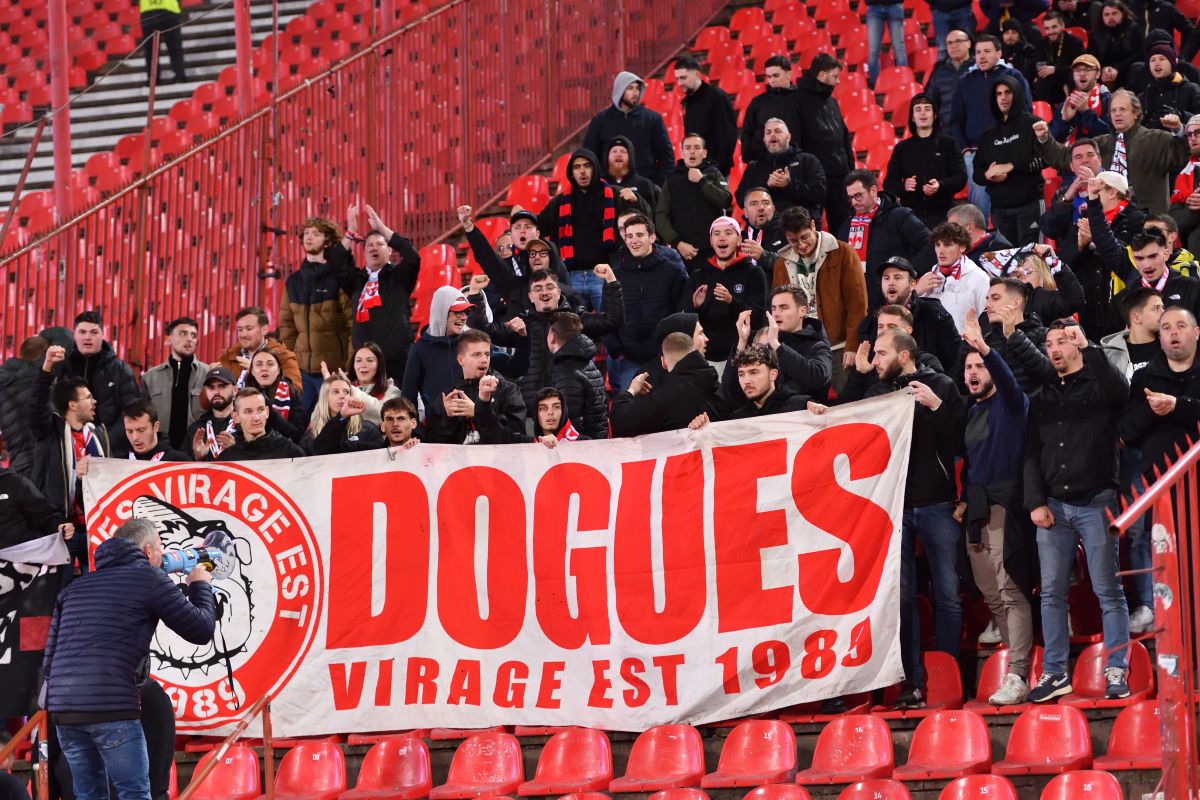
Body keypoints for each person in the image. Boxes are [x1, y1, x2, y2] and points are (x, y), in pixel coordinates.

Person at [42, 517, 213, 800]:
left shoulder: (74, 588)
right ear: (148, 551)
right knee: (134, 794)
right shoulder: (149, 578)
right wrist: (200, 585)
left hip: (64, 709)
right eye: (160, 548)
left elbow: (49, 659)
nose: (164, 556)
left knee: (88, 796)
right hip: (111, 707)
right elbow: (201, 630)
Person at [841, 329, 965, 709]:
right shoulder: (878, 392)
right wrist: (858, 376)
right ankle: (912, 682)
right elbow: (847, 423)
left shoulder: (940, 385)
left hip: (938, 504)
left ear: (905, 355)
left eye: (881, 354)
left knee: (947, 593)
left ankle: (949, 676)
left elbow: (960, 440)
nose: (874, 360)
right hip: (893, 509)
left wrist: (937, 406)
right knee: (902, 598)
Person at [1024, 319, 1131, 702]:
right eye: (1050, 343)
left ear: (1077, 344)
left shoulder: (1099, 383)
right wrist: (1035, 501)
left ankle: (1117, 670)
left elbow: (1121, 391)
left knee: (1108, 590)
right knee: (1051, 594)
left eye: (1063, 341)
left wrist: (1091, 348)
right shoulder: (1042, 395)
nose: (1055, 348)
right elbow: (1032, 452)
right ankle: (1055, 673)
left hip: (1097, 501)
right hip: (1053, 505)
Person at [958, 311, 1035, 705]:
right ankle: (1015, 671)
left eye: (979, 366)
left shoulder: (1012, 404)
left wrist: (986, 349)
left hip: (1006, 505)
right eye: (968, 367)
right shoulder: (971, 412)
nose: (973, 372)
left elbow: (1007, 381)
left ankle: (1019, 672)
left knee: (1010, 591)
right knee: (991, 595)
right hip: (976, 509)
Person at [1120, 306, 1200, 632]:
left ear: (1196, 332)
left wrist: (1177, 405)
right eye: (1166, 327)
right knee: (1170, 568)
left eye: (1181, 325)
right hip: (1162, 492)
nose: (1173, 332)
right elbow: (1125, 431)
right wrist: (1154, 409)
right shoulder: (1144, 378)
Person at [1035, 90, 1190, 216]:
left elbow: (1182, 156)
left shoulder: (1157, 139)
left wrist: (1179, 131)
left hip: (1149, 224)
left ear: (1136, 113)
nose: (1117, 114)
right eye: (1113, 110)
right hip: (1111, 223)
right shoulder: (1100, 144)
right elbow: (1064, 157)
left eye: (1122, 109)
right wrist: (1045, 138)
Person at [30, 345, 112, 575]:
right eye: (88, 397)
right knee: (59, 592)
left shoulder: (98, 435)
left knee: (95, 589)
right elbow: (36, 405)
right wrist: (47, 367)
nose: (94, 401)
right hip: (62, 530)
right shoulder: (50, 432)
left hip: (93, 528)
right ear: (73, 404)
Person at [772, 206, 868, 390]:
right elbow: (779, 308)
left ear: (813, 226)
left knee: (848, 401)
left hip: (839, 347)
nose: (801, 245)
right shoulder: (781, 263)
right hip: (801, 350)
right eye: (793, 241)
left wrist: (852, 345)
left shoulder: (843, 253)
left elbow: (857, 305)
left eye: (805, 237)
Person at [951, 35, 1034, 221]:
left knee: (1011, 208)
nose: (981, 56)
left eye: (987, 51)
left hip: (1009, 150)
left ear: (999, 53)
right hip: (975, 153)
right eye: (978, 52)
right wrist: (965, 150)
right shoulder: (965, 81)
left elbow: (1026, 112)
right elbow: (955, 119)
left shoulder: (1014, 76)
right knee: (978, 212)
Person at [279, 214, 354, 408]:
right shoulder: (293, 281)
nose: (309, 237)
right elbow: (287, 328)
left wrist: (348, 365)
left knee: (332, 419)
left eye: (316, 233)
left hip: (332, 371)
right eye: (306, 233)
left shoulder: (337, 278)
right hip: (301, 371)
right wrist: (289, 365)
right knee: (298, 422)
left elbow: (352, 324)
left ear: (328, 241)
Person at [607, 216, 690, 391]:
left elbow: (681, 313)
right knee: (630, 406)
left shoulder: (673, 272)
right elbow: (607, 315)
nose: (634, 241)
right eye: (629, 236)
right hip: (629, 359)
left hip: (665, 357)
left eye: (639, 235)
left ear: (652, 237)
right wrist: (616, 349)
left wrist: (671, 347)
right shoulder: (616, 275)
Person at [341, 205, 421, 383]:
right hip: (363, 365)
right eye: (369, 245)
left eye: (380, 244)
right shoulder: (356, 280)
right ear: (364, 251)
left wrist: (383, 229)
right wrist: (350, 233)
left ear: (390, 250)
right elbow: (336, 263)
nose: (373, 248)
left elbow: (413, 257)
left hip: (397, 362)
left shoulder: (400, 276)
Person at [539, 149, 620, 310]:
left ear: (595, 168)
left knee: (610, 324)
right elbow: (538, 227)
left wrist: (636, 200)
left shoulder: (614, 195)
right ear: (571, 172)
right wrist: (523, 216)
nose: (582, 171)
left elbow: (637, 220)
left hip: (603, 275)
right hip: (571, 278)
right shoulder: (559, 202)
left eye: (587, 166)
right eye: (577, 167)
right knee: (572, 325)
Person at [840, 169, 932, 309]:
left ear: (873, 191)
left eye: (858, 196)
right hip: (859, 302)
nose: (854, 202)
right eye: (850, 198)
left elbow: (931, 245)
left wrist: (909, 273)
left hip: (895, 303)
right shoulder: (847, 226)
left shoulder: (899, 216)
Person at [857, 258, 964, 375]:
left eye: (897, 277)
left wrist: (940, 385)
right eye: (886, 278)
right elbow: (865, 369)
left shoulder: (934, 314)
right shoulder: (872, 319)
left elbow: (955, 360)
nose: (891, 282)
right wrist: (865, 373)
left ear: (913, 284)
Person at [685, 216, 768, 367]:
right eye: (716, 233)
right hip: (705, 358)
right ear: (711, 241)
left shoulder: (754, 273)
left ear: (738, 240)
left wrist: (731, 301)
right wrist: (696, 307)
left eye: (728, 233)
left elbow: (757, 319)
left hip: (742, 357)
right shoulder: (698, 275)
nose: (722, 237)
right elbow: (685, 322)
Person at [974, 77, 1046, 246]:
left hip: (1030, 205)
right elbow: (977, 174)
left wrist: (1011, 166)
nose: (1003, 97)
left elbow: (1045, 159)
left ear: (1017, 94)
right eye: (998, 94)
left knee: (1032, 257)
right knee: (1005, 259)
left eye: (1008, 92)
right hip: (1000, 210)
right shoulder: (988, 135)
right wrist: (987, 175)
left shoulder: (1033, 124)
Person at [422, 331, 526, 445]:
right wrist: (448, 419)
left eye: (487, 354)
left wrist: (479, 412)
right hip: (459, 457)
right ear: (460, 360)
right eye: (477, 355)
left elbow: (516, 439)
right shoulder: (447, 397)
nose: (484, 360)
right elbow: (432, 445)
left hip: (496, 456)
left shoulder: (509, 391)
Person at [727, 287, 833, 399]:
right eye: (774, 308)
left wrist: (776, 345)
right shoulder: (765, 344)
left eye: (784, 308)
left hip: (805, 408)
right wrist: (742, 341)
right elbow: (729, 390)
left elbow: (818, 378)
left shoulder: (817, 346)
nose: (776, 314)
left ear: (802, 311)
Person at [884, 92, 969, 230]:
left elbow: (961, 177)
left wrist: (940, 185)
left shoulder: (948, 143)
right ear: (912, 117)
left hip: (943, 214)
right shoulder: (902, 148)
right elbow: (889, 184)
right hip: (911, 216)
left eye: (927, 109)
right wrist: (904, 186)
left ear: (934, 115)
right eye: (918, 109)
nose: (923, 113)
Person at [610, 332, 720, 436]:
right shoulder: (714, 383)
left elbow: (620, 421)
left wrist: (631, 390)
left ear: (663, 362)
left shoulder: (666, 396)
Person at [795, 53, 856, 233]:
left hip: (839, 176)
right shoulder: (798, 100)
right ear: (822, 75)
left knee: (844, 228)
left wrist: (850, 170)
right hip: (813, 178)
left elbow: (844, 137)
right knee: (812, 229)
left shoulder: (832, 102)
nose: (838, 81)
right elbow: (797, 140)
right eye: (835, 76)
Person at [582, 72, 674, 184]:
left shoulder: (653, 119)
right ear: (619, 91)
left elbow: (666, 154)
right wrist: (600, 183)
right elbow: (589, 155)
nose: (635, 93)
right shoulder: (600, 120)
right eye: (630, 88)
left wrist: (658, 185)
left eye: (637, 88)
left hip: (645, 185)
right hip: (609, 186)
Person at [656, 134, 732, 271]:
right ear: (681, 152)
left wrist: (702, 181)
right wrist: (677, 243)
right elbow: (661, 215)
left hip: (713, 249)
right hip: (683, 251)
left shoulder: (714, 173)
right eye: (688, 148)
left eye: (697, 147)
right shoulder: (672, 179)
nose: (692, 151)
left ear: (704, 153)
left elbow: (726, 201)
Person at [58, 311, 139, 433]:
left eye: (94, 332)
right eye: (82, 332)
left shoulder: (119, 369)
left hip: (109, 442)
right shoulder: (62, 367)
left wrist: (105, 440)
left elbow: (131, 411)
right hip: (68, 441)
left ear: (102, 334)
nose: (87, 337)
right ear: (74, 335)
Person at [402, 287, 476, 415]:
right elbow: (408, 396)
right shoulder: (420, 349)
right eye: (458, 312)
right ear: (442, 312)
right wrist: (416, 426)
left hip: (473, 421)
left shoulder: (473, 343)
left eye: (466, 311)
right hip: (436, 424)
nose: (464, 317)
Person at [736, 118, 826, 219]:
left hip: (801, 222)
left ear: (788, 137)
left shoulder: (808, 160)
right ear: (764, 139)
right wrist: (766, 186)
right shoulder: (754, 167)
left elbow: (819, 194)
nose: (772, 135)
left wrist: (789, 185)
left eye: (778, 131)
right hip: (767, 225)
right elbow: (741, 199)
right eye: (768, 132)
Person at [140, 317, 205, 451]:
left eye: (193, 335)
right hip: (160, 451)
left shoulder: (207, 374)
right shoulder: (150, 377)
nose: (189, 339)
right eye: (183, 333)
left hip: (196, 451)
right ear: (169, 339)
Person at [546, 312, 608, 440]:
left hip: (580, 445)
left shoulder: (566, 371)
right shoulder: (586, 361)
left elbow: (569, 422)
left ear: (552, 337)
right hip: (595, 441)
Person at [920, 222, 991, 331]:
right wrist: (915, 293)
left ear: (962, 247)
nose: (940, 251)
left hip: (965, 341)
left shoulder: (979, 278)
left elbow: (988, 318)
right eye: (937, 245)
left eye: (947, 244)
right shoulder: (927, 278)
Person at [674, 56, 737, 174]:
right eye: (677, 79)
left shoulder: (716, 96)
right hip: (697, 169)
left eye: (683, 78)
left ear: (697, 74)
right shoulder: (689, 101)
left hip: (716, 171)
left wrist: (718, 170)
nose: (679, 83)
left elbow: (728, 135)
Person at [1112, 231, 1200, 317]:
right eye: (1139, 258)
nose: (1147, 265)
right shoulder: (1124, 298)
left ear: (1166, 254)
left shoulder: (1192, 288)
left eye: (1152, 256)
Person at [216, 306, 302, 391]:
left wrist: (257, 373)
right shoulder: (227, 358)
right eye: (240, 330)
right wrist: (212, 376)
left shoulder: (284, 356)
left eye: (249, 329)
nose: (243, 335)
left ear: (264, 330)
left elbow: (295, 391)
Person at [716, 344, 813, 419]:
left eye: (754, 372)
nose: (746, 381)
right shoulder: (737, 419)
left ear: (773, 375)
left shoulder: (802, 406)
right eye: (741, 374)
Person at [740, 55, 802, 165]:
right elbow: (747, 133)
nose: (772, 80)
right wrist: (749, 159)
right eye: (769, 76)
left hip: (797, 162)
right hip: (765, 163)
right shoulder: (758, 102)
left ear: (789, 74)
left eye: (776, 75)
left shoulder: (802, 99)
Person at [0, 335, 48, 475]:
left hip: (16, 455)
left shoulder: (3, 377)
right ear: (43, 354)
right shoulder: (43, 380)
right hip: (41, 455)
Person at [302, 376, 384, 455]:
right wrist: (342, 416)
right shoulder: (311, 435)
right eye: (335, 392)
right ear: (325, 398)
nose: (342, 396)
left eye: (346, 392)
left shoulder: (368, 429)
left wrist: (343, 416)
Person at [216, 389, 305, 461]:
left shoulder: (291, 452)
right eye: (248, 412)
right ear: (236, 417)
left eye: (261, 410)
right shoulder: (227, 459)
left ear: (267, 412)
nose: (256, 418)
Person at [245, 349, 308, 442]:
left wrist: (270, 413)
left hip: (283, 447)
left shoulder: (292, 393)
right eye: (259, 364)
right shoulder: (244, 395)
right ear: (252, 371)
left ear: (278, 370)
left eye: (270, 364)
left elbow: (298, 435)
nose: (264, 368)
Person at [1102, 287, 1164, 379]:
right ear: (1136, 318)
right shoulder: (1109, 356)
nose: (1164, 312)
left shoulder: (1172, 346)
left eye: (1163, 307)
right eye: (1156, 308)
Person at [1049, 54, 1112, 144]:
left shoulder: (1108, 101)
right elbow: (1053, 141)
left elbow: (1110, 138)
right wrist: (1064, 120)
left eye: (1087, 70)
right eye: (1078, 70)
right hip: (1072, 152)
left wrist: (1086, 112)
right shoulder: (1066, 105)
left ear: (1098, 74)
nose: (1082, 74)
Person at [1139, 43, 1200, 133]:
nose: (1156, 63)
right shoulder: (1144, 95)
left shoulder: (1192, 90)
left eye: (1162, 59)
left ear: (1172, 63)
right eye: (1152, 60)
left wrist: (1180, 115)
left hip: (1183, 140)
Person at [924, 30, 974, 135]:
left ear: (969, 43)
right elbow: (930, 103)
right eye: (950, 43)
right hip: (948, 132)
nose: (953, 46)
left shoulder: (979, 68)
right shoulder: (939, 73)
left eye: (958, 41)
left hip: (975, 129)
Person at [1032, 11, 1086, 105]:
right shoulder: (1041, 44)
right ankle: (1046, 112)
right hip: (1053, 82)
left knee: (1074, 77)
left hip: (1069, 78)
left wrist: (1055, 70)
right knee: (1041, 82)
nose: (1051, 32)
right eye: (1047, 28)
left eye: (1054, 27)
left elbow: (1077, 69)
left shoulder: (1075, 42)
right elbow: (1041, 70)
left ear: (1062, 26)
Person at [1015, 251, 1087, 321]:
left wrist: (1055, 263)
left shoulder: (1059, 301)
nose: (1021, 277)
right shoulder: (1014, 304)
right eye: (1017, 275)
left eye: (1027, 272)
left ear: (1043, 274)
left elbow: (1073, 300)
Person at [1088, 0, 1144, 87]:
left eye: (1114, 13)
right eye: (1107, 14)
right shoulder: (1095, 33)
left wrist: (1118, 69)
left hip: (1127, 71)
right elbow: (1091, 57)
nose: (1111, 17)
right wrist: (1103, 69)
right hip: (1103, 73)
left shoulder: (1133, 28)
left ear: (1123, 14)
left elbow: (1138, 55)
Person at [186, 367, 238, 461]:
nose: (216, 392)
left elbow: (258, 461)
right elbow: (181, 465)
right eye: (211, 387)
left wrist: (236, 451)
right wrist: (198, 457)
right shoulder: (196, 428)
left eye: (222, 386)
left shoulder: (245, 424)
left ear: (235, 390)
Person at [602, 135, 659, 217]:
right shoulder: (601, 183)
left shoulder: (645, 184)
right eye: (614, 151)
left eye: (623, 151)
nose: (618, 154)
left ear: (631, 156)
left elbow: (653, 216)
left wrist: (636, 201)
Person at [347, 342, 401, 425]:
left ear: (379, 365)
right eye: (358, 360)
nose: (363, 365)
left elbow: (383, 414)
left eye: (369, 360)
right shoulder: (343, 389)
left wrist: (350, 388)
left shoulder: (392, 391)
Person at [119, 400, 190, 462]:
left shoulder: (178, 461)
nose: (135, 438)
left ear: (156, 426)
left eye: (141, 430)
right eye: (129, 431)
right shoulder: (119, 463)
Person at [1169, 115, 1200, 255]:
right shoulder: (1184, 175)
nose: (1192, 138)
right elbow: (1175, 222)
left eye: (1198, 133)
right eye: (1189, 134)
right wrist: (1193, 209)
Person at [139, 0, 186, 84]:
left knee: (174, 47)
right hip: (151, 12)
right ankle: (154, 78)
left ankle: (179, 75)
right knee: (151, 50)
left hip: (167, 10)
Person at [865, 0, 907, 90]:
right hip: (874, 7)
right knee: (873, 50)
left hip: (894, 5)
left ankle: (904, 82)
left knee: (899, 48)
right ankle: (874, 86)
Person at [740, 188, 787, 267]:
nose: (761, 207)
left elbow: (793, 265)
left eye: (766, 203)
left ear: (773, 209)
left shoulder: (787, 232)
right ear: (745, 212)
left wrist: (763, 256)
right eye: (754, 204)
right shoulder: (739, 239)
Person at [1000, 20, 1039, 85]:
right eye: (1007, 33)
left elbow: (1029, 73)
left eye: (1013, 32)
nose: (1010, 36)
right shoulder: (997, 51)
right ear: (1002, 35)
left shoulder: (1028, 50)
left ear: (1019, 35)